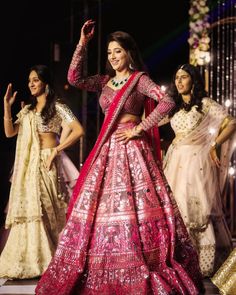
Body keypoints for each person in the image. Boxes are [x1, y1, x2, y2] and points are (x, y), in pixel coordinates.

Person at [35, 20, 204, 294]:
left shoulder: (139, 80)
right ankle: (102, 262)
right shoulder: (103, 82)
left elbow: (167, 101)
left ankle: (140, 260)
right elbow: (74, 79)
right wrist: (82, 44)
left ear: (129, 54)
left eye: (118, 52)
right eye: (110, 52)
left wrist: (140, 128)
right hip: (107, 150)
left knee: (134, 208)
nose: (113, 57)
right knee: (99, 209)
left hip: (132, 149)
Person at [0, 64, 84, 279]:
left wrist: (57, 149)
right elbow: (10, 133)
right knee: (30, 211)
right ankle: (30, 260)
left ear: (45, 83)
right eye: (30, 80)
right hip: (29, 168)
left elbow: (78, 130)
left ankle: (53, 259)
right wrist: (7, 107)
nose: (31, 84)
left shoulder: (58, 107)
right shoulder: (27, 110)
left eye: (36, 79)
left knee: (49, 209)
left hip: (47, 162)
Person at [162, 63, 236, 278]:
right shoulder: (173, 107)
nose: (179, 81)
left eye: (184, 77)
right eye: (176, 77)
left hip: (197, 161)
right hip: (175, 160)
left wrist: (213, 145)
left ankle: (203, 261)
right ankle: (180, 259)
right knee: (176, 203)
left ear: (193, 80)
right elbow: (153, 123)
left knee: (198, 205)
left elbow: (231, 122)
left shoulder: (204, 104)